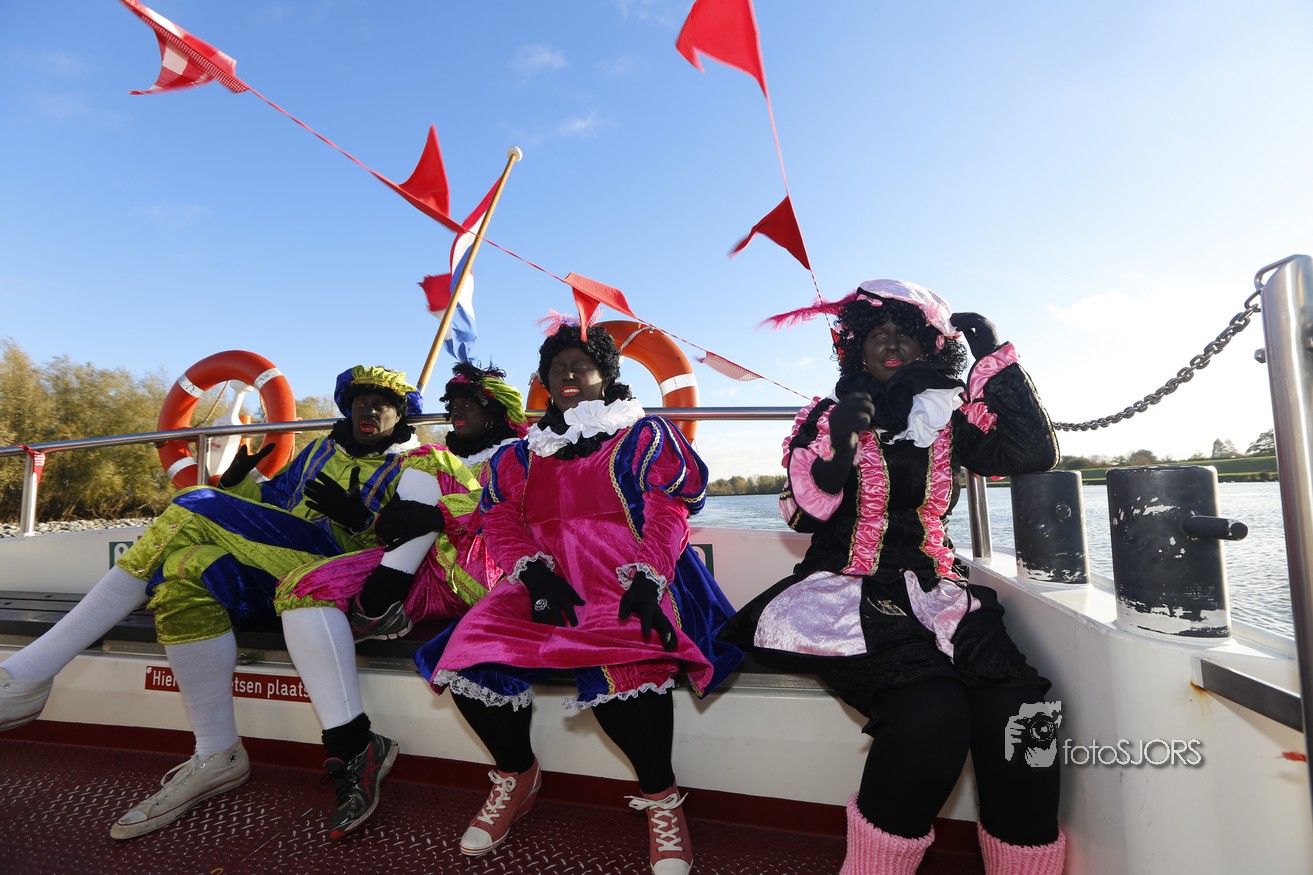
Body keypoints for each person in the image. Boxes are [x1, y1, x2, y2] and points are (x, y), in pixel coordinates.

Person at [720, 280, 1065, 875]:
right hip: (846, 595)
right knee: (932, 715)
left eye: (905, 333)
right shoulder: (826, 417)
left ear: (931, 346)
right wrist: (839, 448)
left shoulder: (947, 415)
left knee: (1021, 712)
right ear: (856, 349)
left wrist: (994, 359)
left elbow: (1031, 453)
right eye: (876, 334)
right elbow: (803, 516)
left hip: (941, 593)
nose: (890, 344)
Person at [0, 364, 423, 841]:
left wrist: (361, 520)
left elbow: (419, 542)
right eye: (362, 400)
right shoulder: (318, 451)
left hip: (334, 576)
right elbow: (273, 506)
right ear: (347, 406)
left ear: (402, 414)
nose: (371, 410)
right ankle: (217, 752)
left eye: (384, 404)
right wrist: (240, 484)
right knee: (182, 572)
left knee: (192, 503)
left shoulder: (416, 465)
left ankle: (30, 670)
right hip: (277, 569)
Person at [412, 322, 741, 875]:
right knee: (468, 652)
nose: (567, 373)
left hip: (634, 574)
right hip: (546, 577)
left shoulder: (644, 435)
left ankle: (662, 801)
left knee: (627, 662)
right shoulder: (521, 454)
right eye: (557, 366)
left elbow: (669, 511)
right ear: (545, 381)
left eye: (580, 365)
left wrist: (648, 578)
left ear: (605, 376)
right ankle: (517, 775)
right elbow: (500, 518)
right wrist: (534, 576)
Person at [271, 362, 528, 840]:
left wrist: (441, 515)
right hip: (419, 575)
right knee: (300, 588)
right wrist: (374, 521)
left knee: (427, 460)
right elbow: (396, 529)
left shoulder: (518, 454)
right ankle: (354, 746)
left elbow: (519, 514)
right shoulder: (431, 461)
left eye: (469, 404)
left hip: (481, 572)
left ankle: (376, 606)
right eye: (453, 405)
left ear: (496, 413)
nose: (457, 413)